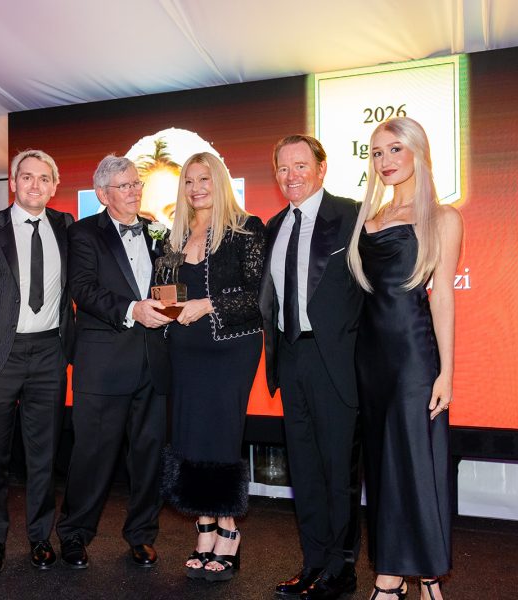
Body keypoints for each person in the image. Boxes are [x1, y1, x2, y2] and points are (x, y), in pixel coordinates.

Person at [347, 117, 462, 600]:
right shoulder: (369, 217)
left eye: (395, 149)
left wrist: (446, 372)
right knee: (382, 467)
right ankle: (397, 572)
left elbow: (442, 297)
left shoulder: (443, 218)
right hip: (370, 359)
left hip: (414, 357)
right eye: (376, 153)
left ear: (418, 151)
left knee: (416, 463)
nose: (385, 161)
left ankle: (417, 576)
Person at [0, 149, 74, 577]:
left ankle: (41, 538)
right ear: (12, 182)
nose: (35, 185)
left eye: (44, 178)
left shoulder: (66, 226)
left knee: (44, 455)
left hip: (50, 353)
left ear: (54, 186)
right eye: (27, 177)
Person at [260, 135, 363, 600]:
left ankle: (342, 570)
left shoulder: (352, 215)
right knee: (303, 469)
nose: (291, 176)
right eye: (283, 168)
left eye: (300, 165)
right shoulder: (275, 225)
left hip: (334, 360)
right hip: (291, 356)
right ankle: (313, 564)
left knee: (338, 470)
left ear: (322, 168)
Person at [55, 155, 171, 569]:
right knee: (92, 455)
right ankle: (74, 533)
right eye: (125, 186)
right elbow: (82, 289)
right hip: (103, 364)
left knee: (149, 456)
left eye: (136, 183)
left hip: (154, 362)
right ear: (102, 194)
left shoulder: (159, 230)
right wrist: (132, 309)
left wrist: (169, 305)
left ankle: (141, 535)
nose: (135, 191)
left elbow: (168, 284)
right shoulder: (84, 233)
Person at [159, 152, 264, 582]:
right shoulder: (172, 237)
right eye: (189, 181)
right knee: (190, 434)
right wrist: (161, 308)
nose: (196, 188)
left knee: (220, 435)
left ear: (219, 181)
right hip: (184, 349)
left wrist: (208, 305)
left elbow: (258, 295)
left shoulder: (246, 230)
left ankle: (228, 529)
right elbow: (165, 293)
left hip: (230, 349)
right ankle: (204, 527)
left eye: (204, 179)